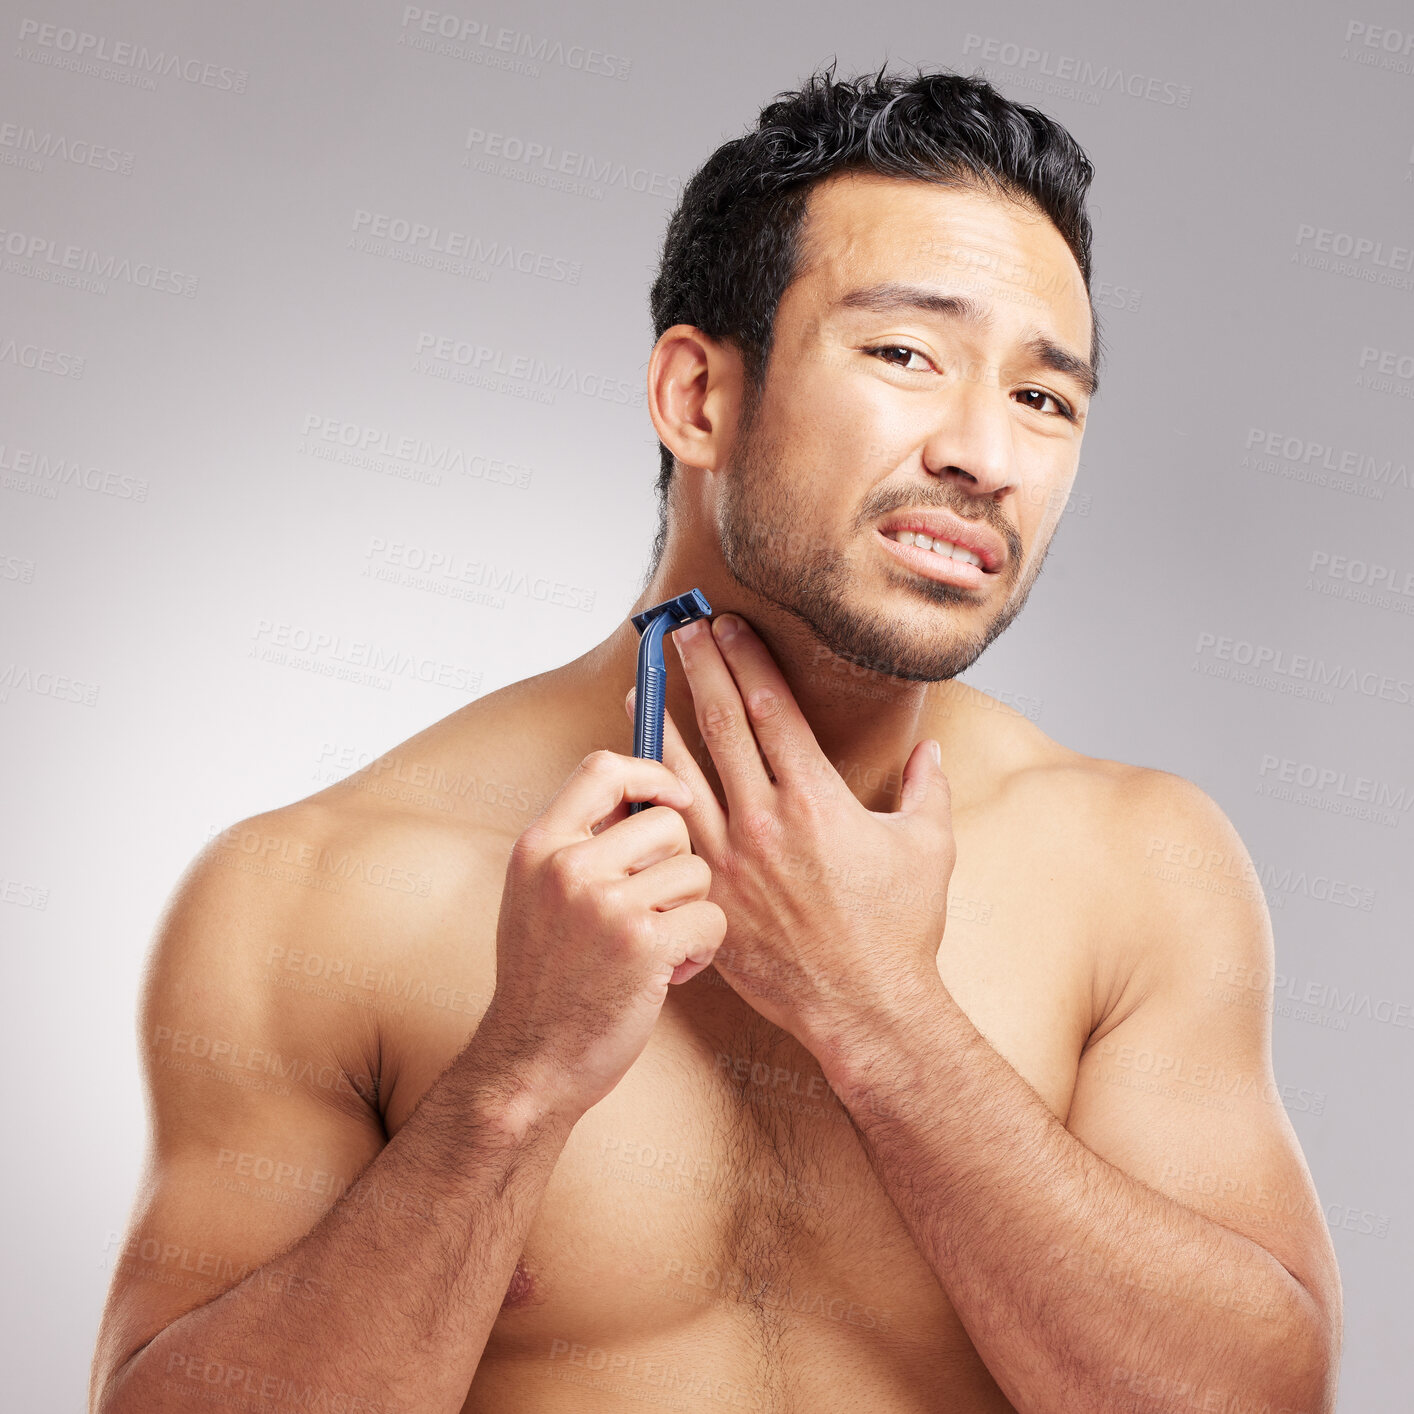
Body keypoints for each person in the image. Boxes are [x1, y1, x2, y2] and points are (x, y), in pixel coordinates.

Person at [90, 62, 1341, 1413]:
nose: (986, 452)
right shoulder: (321, 887)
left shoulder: (1137, 867)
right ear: (697, 397)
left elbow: (1253, 1400)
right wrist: (515, 1078)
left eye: (1045, 397)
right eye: (905, 354)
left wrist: (883, 1013)